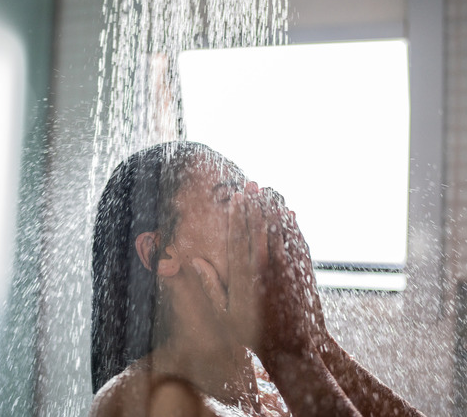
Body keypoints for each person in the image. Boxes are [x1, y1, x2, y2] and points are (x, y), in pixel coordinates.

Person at [90, 141, 424, 417]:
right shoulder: (139, 402)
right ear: (160, 252)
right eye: (228, 198)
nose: (262, 207)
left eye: (250, 194)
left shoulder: (272, 383)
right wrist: (289, 351)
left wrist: (315, 341)